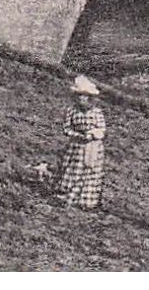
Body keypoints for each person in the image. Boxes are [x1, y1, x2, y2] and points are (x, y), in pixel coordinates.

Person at [55, 74, 106, 209]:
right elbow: (66, 128)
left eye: (84, 96)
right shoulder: (71, 111)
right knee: (72, 169)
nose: (82, 99)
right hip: (76, 145)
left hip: (92, 146)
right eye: (79, 96)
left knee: (89, 171)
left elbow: (101, 129)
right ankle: (66, 194)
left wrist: (92, 135)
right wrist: (77, 135)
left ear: (90, 98)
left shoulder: (96, 112)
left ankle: (85, 201)